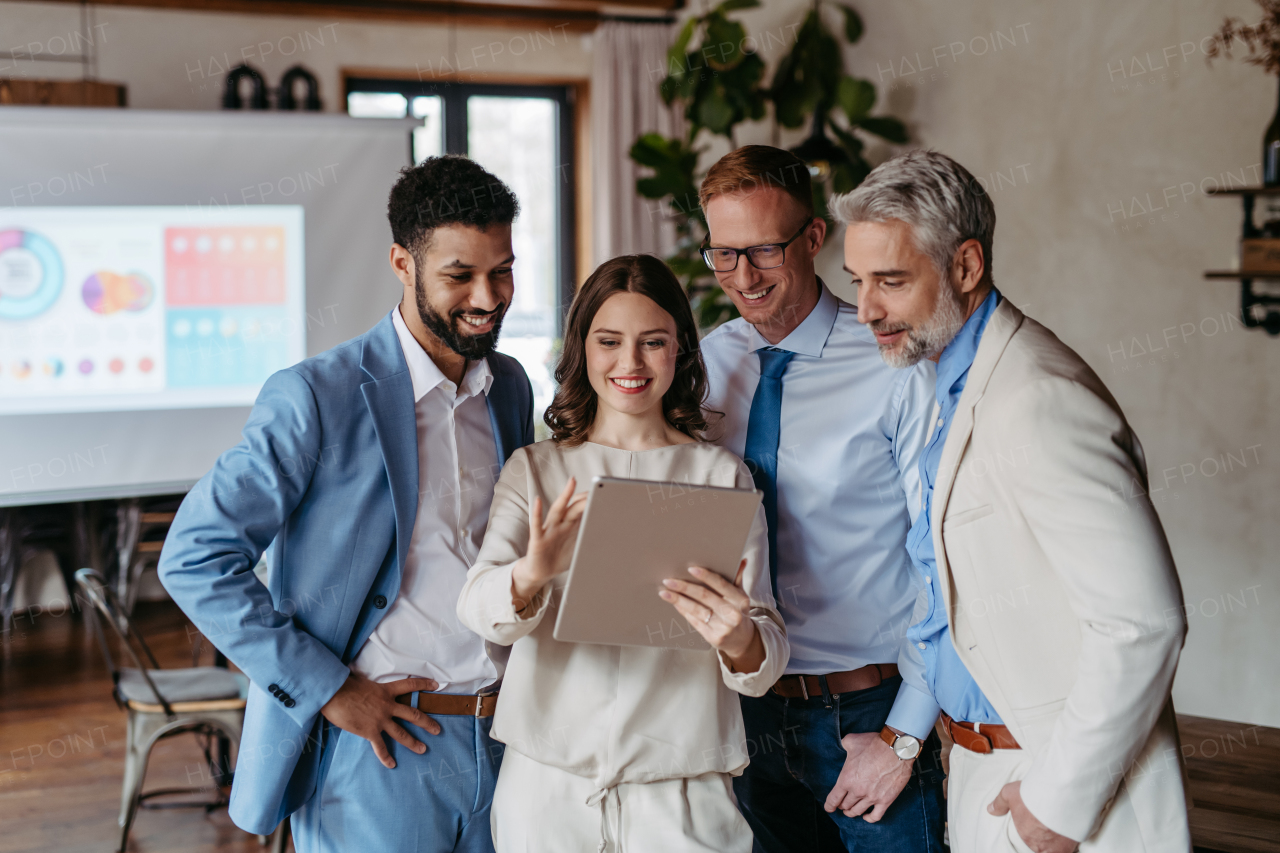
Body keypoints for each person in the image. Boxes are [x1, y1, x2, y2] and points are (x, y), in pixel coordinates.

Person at [158, 155, 535, 852]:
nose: (488, 296)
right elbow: (194, 558)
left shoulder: (509, 386)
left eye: (503, 270)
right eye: (460, 275)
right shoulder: (316, 396)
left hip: (507, 738)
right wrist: (329, 689)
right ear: (402, 262)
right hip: (381, 747)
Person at [835, 148, 1191, 853]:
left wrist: (1058, 804)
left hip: (1057, 793)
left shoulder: (1039, 398)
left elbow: (1143, 619)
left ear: (965, 267)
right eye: (858, 282)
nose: (866, 309)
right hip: (976, 768)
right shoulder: (951, 384)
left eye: (891, 281)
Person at [455, 254, 789, 853]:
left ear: (680, 349)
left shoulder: (720, 475)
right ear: (583, 348)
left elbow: (764, 643)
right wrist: (531, 573)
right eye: (609, 341)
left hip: (684, 797)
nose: (630, 364)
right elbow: (478, 607)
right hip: (547, 793)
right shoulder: (535, 469)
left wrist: (740, 639)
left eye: (653, 342)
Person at [697, 145, 944, 852]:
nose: (744, 277)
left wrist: (903, 735)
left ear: (812, 239)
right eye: (724, 254)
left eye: (766, 250)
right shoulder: (705, 367)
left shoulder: (892, 365)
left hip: (866, 711)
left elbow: (943, 560)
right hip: (745, 717)